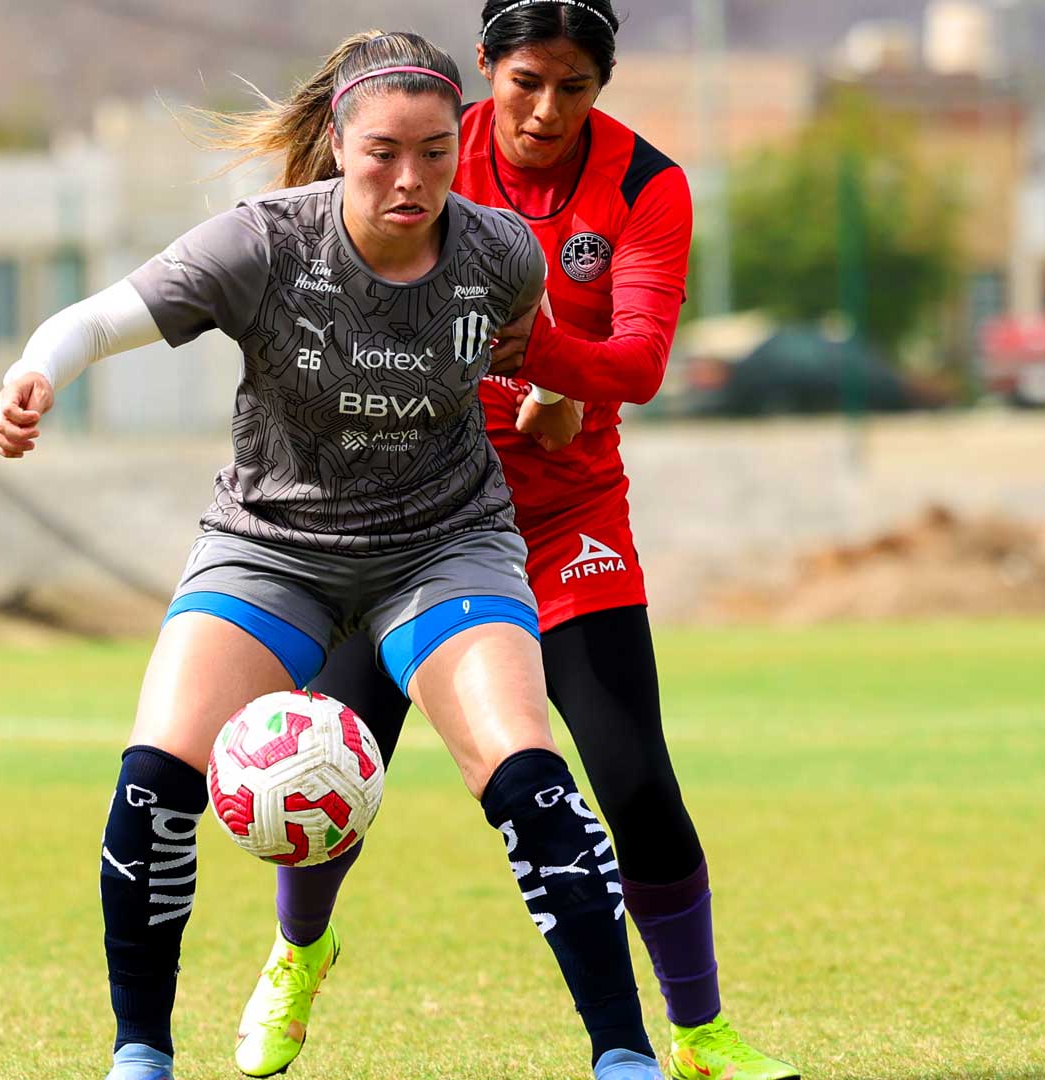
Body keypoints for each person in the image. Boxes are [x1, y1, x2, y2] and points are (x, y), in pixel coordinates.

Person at [0, 29, 666, 1080]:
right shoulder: (260, 245)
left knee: (530, 776)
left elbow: (529, 351)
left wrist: (552, 398)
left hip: (444, 544)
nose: (412, 179)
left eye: (437, 152)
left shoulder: (499, 253)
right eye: (384, 152)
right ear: (338, 144)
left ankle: (626, 1057)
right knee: (151, 781)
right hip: (273, 548)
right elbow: (98, 319)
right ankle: (141, 1055)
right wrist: (38, 369)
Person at [238, 5, 803, 1080]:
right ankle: (297, 955)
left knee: (635, 783)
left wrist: (549, 364)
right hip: (406, 512)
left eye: (575, 86)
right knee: (332, 764)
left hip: (563, 516)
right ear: (484, 69)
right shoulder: (424, 147)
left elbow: (635, 362)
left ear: (604, 85)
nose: (547, 110)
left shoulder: (645, 186)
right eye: (526, 80)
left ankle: (697, 1032)